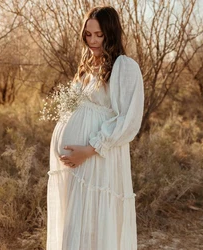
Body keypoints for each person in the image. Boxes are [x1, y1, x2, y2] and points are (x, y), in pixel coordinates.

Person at [46, 5, 144, 250]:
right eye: (88, 34)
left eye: (99, 34)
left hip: (97, 161)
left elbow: (128, 121)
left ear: (111, 33)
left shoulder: (124, 66)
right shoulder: (88, 66)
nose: (93, 40)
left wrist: (89, 149)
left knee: (95, 228)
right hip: (77, 168)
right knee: (75, 225)